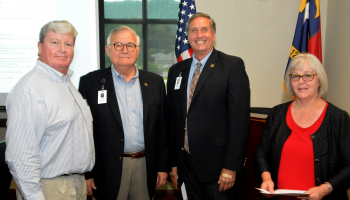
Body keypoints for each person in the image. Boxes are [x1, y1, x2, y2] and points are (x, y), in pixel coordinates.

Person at [5, 20, 95, 200]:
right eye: (55, 42)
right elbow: (22, 157)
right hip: (49, 189)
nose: (62, 49)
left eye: (68, 44)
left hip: (74, 184)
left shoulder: (65, 83)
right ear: (39, 47)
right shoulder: (29, 90)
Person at [78, 26, 169, 200]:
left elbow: (163, 129)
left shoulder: (155, 82)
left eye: (130, 45)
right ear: (108, 49)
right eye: (118, 45)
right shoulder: (90, 83)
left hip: (145, 166)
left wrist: (163, 166)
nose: (124, 50)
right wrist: (88, 173)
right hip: (106, 169)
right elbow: (83, 132)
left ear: (138, 51)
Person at [167, 12, 250, 200]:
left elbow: (239, 121)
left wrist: (231, 166)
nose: (199, 35)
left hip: (218, 168)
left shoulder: (232, 66)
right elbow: (173, 120)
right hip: (186, 165)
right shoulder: (175, 71)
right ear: (187, 36)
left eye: (204, 30)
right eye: (194, 31)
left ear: (213, 34)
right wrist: (174, 162)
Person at [254, 53, 350, 200]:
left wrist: (325, 189)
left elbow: (348, 165)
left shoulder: (338, 118)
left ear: (319, 80)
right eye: (295, 76)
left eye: (308, 76)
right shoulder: (276, 113)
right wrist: (266, 178)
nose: (301, 82)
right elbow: (261, 153)